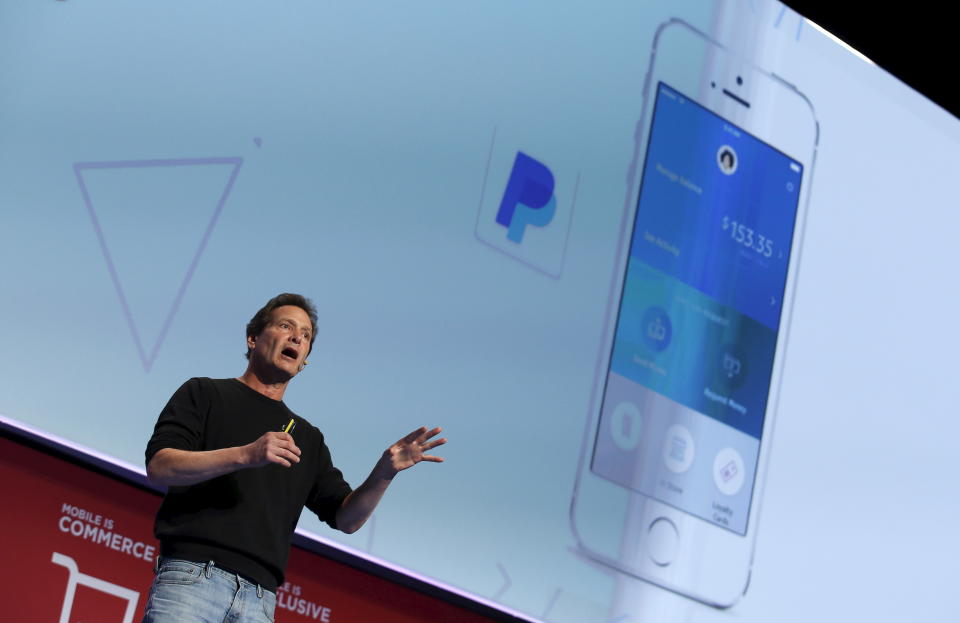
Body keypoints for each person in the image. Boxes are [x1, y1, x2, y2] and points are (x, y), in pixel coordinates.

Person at [141, 293, 445, 623]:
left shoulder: (308, 439)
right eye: (286, 326)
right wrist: (246, 454)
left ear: (303, 361)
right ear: (253, 338)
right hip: (193, 578)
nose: (297, 337)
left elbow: (347, 519)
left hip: (260, 600)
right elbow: (161, 466)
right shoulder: (205, 393)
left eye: (305, 335)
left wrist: (384, 472)